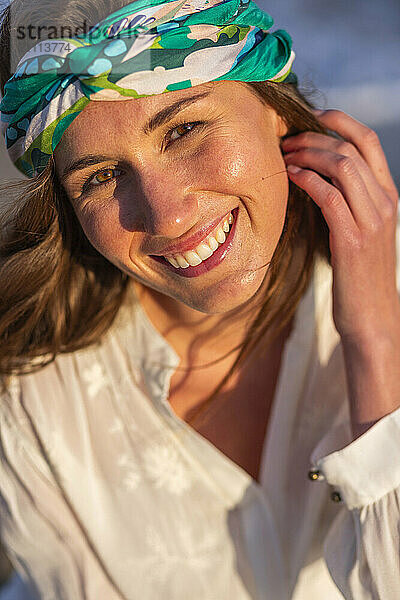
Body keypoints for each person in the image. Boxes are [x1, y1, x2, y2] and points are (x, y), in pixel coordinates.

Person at [0, 0, 399, 598]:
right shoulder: (34, 405)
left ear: (272, 107)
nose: (168, 213)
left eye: (184, 130)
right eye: (101, 176)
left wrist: (375, 341)